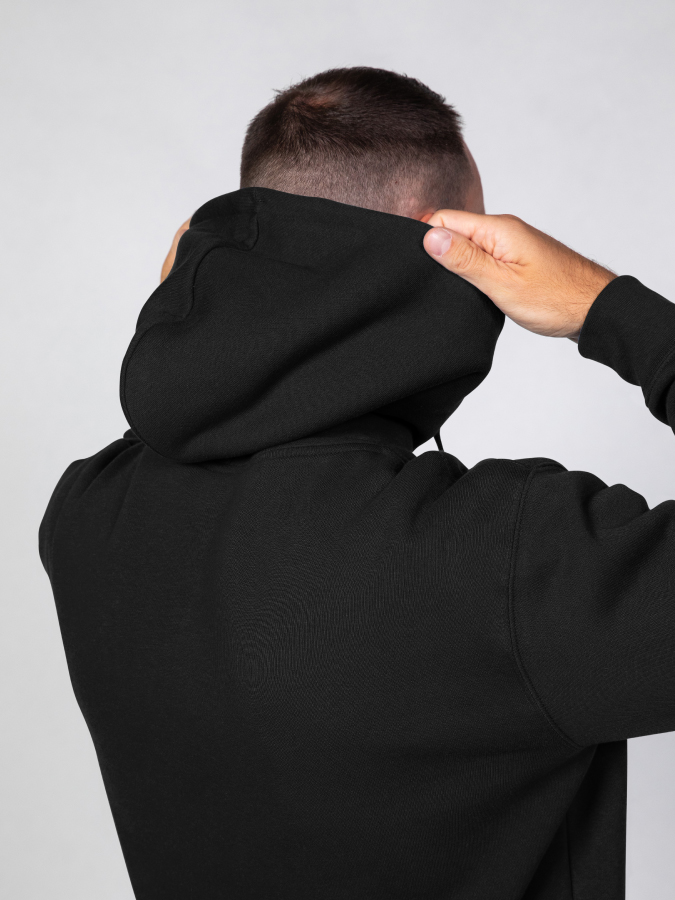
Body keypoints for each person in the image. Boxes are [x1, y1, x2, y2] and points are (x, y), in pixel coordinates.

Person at [38, 66, 674, 900]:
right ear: (446, 249)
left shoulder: (87, 516)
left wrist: (198, 313)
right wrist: (604, 305)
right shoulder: (513, 562)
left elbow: (184, 414)